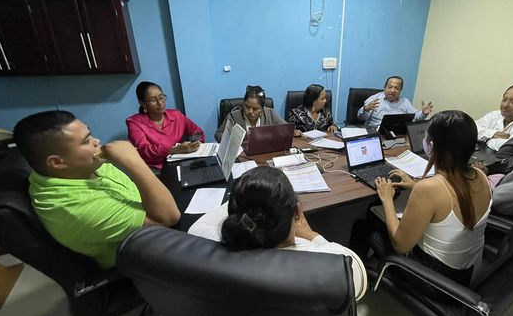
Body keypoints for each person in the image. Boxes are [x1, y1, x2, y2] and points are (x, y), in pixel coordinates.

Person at [13, 110, 180, 269]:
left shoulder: (78, 166)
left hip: (152, 211)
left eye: (90, 134)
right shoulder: (77, 209)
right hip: (147, 256)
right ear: (57, 162)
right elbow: (168, 219)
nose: (97, 142)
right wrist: (133, 161)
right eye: (86, 141)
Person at [188, 166, 367, 300]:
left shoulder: (211, 244)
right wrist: (311, 234)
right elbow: (357, 276)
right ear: (297, 213)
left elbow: (196, 227)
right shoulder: (336, 267)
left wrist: (247, 197)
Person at [367, 111, 492, 286]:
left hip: (437, 280)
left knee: (367, 225)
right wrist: (415, 185)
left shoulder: (428, 188)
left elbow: (401, 245)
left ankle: (360, 280)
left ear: (430, 146)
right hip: (469, 270)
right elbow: (453, 194)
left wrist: (387, 199)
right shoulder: (481, 176)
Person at [126, 81, 205, 170]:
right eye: (153, 100)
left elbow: (198, 132)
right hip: (156, 168)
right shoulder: (134, 122)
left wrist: (194, 144)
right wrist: (173, 150)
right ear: (142, 103)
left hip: (181, 162)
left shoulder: (176, 115)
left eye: (161, 97)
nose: (160, 102)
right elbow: (144, 150)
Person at [475, 83, 513, 151]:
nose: (505, 105)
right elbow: (472, 129)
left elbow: (511, 146)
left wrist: (486, 139)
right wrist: (493, 134)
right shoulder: (496, 114)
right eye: (504, 100)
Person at [357, 76, 433, 129]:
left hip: (396, 133)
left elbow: (415, 116)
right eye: (390, 87)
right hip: (374, 133)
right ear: (385, 87)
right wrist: (365, 109)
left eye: (396, 88)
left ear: (400, 90)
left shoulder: (405, 102)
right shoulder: (374, 99)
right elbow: (361, 118)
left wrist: (423, 113)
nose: (392, 90)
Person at [214, 85, 286, 142]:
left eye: (255, 109)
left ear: (262, 108)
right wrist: (227, 138)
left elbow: (286, 129)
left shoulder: (269, 113)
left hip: (264, 152)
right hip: (241, 154)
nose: (250, 111)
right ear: (243, 103)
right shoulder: (234, 116)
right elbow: (218, 134)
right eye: (247, 107)